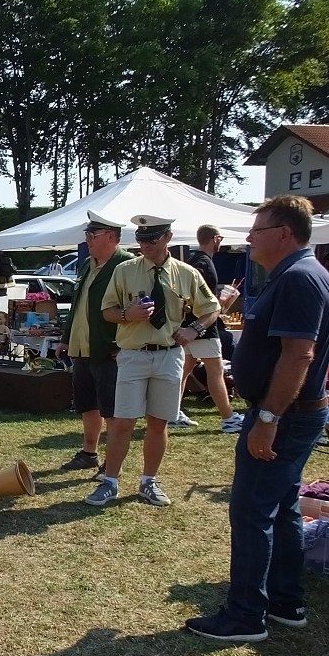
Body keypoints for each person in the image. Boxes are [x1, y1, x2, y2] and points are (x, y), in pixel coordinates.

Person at [186, 196, 329, 643]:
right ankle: (285, 601)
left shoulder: (299, 278)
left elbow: (299, 355)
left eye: (258, 230)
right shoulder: (299, 274)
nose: (249, 239)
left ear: (284, 234)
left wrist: (268, 417)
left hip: (284, 416)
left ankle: (246, 616)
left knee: (251, 511)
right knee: (284, 504)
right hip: (290, 414)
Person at [85, 214, 220, 509]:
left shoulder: (186, 273)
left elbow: (212, 308)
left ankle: (149, 481)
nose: (144, 245)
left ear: (167, 238)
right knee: (122, 423)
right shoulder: (124, 270)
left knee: (159, 423)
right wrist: (127, 315)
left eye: (151, 239)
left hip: (169, 355)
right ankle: (110, 482)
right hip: (133, 355)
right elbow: (106, 311)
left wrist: (193, 329)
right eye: (141, 239)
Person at [56, 212, 132, 478]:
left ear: (111, 237)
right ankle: (89, 453)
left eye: (92, 235)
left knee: (112, 410)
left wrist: (124, 343)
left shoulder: (127, 265)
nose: (87, 239)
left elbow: (137, 309)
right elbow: (77, 305)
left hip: (108, 350)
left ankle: (112, 465)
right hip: (81, 349)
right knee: (88, 405)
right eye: (87, 234)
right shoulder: (89, 263)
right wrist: (66, 339)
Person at [177, 224, 243, 433]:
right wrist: (217, 306)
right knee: (216, 371)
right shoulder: (204, 263)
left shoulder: (193, 262)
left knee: (184, 370)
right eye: (221, 238)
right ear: (215, 239)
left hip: (190, 326)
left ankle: (172, 412)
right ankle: (228, 418)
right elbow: (199, 297)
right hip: (202, 326)